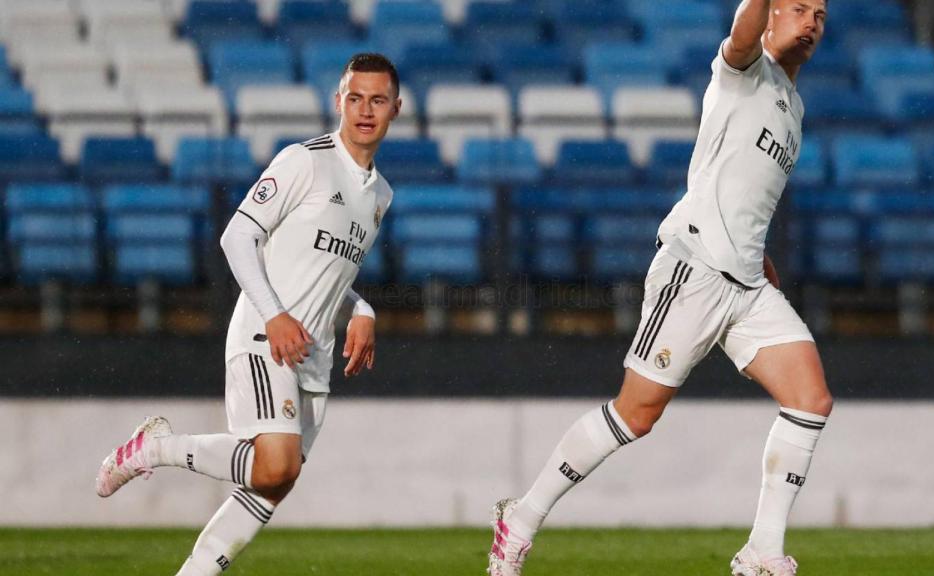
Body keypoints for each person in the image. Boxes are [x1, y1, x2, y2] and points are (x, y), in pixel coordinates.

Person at [487, 1, 831, 575]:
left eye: (820, 13)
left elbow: (738, 186)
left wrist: (759, 255)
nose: (812, 19)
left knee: (810, 401)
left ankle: (761, 553)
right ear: (771, 15)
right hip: (693, 270)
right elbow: (742, 30)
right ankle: (520, 519)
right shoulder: (744, 71)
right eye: (798, 7)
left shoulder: (792, 105)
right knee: (635, 415)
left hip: (745, 282)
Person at [95, 52, 402, 575]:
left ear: (396, 108)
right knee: (274, 464)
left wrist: (363, 308)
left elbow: (327, 272)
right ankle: (155, 449)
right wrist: (274, 314)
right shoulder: (304, 160)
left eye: (377, 100)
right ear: (339, 102)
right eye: (355, 98)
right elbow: (238, 235)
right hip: (266, 336)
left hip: (312, 356)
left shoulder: (380, 196)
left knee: (271, 485)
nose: (365, 110)